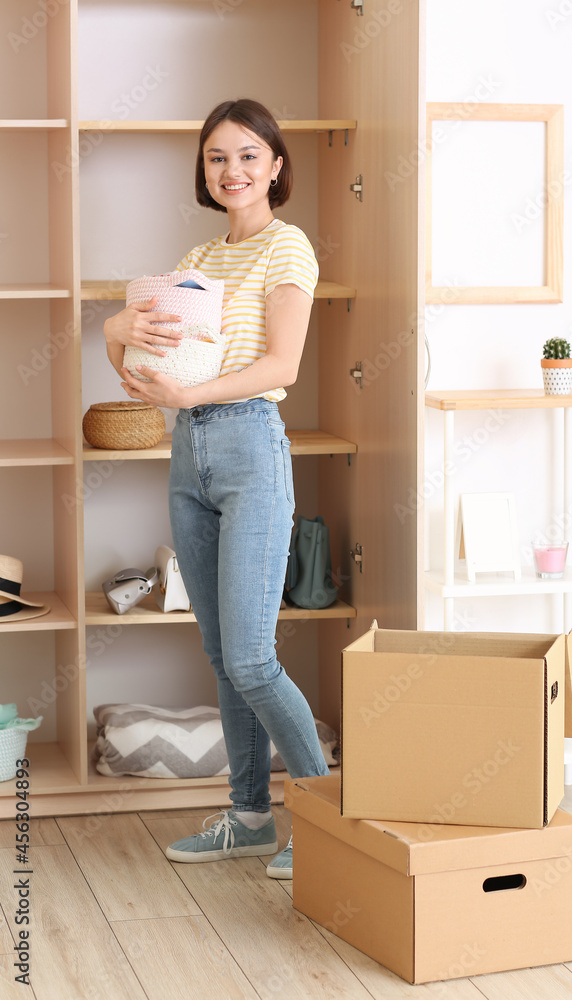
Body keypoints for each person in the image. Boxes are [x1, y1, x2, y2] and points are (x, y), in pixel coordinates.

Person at [103, 98, 330, 879]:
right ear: (204, 171)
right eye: (215, 158)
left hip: (248, 448)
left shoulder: (288, 248)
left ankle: (328, 819)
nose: (230, 171)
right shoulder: (200, 255)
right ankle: (249, 819)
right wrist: (115, 336)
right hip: (189, 453)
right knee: (221, 653)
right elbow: (142, 363)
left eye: (245, 155)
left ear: (273, 165)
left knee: (253, 657)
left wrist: (185, 398)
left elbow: (282, 367)